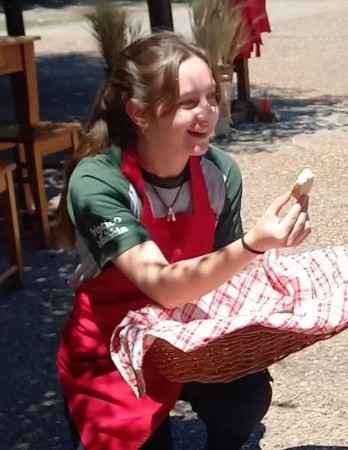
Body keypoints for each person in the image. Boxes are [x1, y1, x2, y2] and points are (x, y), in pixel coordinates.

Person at [54, 32, 311, 450]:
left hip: (191, 333)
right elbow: (162, 284)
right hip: (114, 346)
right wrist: (252, 245)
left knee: (245, 396)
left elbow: (225, 281)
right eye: (188, 103)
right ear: (139, 112)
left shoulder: (220, 173)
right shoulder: (98, 181)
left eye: (211, 97)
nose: (208, 114)